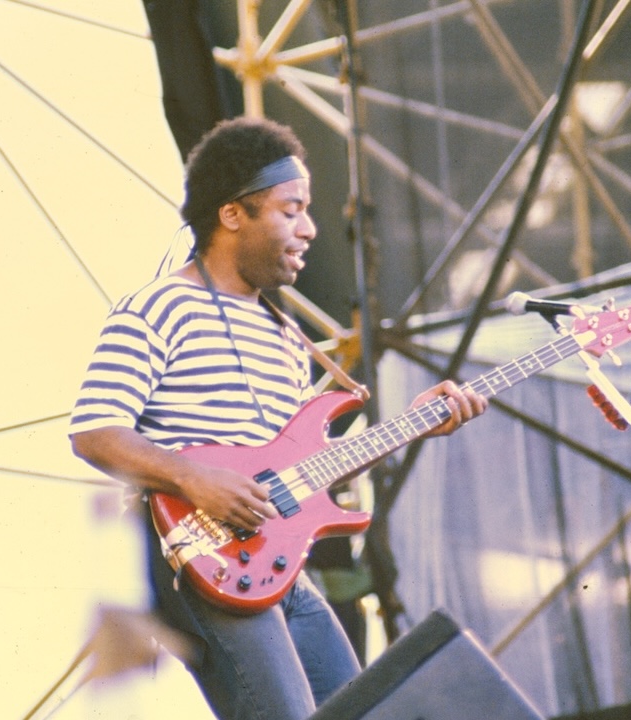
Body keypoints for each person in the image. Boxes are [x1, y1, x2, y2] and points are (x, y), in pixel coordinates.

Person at [68, 116, 488, 720]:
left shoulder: (287, 338)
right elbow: (94, 430)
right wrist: (192, 477)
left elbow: (300, 471)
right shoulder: (157, 307)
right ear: (232, 214)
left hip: (274, 565)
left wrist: (415, 423)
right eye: (292, 211)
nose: (310, 229)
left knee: (362, 709)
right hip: (197, 555)